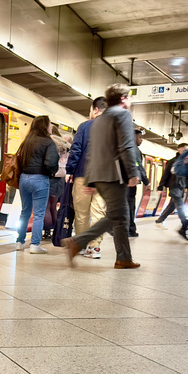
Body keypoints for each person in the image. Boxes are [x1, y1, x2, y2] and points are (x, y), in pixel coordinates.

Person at [62, 84, 141, 269]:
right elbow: (127, 146)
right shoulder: (122, 115)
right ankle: (77, 241)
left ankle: (124, 258)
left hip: (99, 175)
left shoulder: (98, 120)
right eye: (128, 97)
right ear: (122, 98)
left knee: (120, 217)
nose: (130, 101)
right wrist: (133, 172)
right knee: (117, 216)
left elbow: (91, 153)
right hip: (114, 175)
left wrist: (90, 178)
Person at [65, 97, 108, 259]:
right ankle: (95, 247)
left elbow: (75, 150)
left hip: (83, 175)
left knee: (81, 213)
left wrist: (70, 170)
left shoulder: (84, 127)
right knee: (99, 213)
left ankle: (82, 245)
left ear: (95, 110)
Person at [14, 116, 59, 254]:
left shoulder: (26, 141)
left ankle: (19, 242)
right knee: (39, 214)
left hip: (24, 179)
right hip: (39, 179)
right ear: (45, 126)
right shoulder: (48, 142)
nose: (51, 126)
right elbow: (51, 163)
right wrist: (51, 173)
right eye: (50, 124)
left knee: (25, 212)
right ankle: (35, 245)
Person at [154, 143, 188, 231]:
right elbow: (165, 174)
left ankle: (159, 221)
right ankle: (185, 223)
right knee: (180, 204)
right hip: (174, 186)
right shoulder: (173, 162)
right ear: (179, 150)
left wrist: (187, 186)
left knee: (172, 206)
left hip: (181, 187)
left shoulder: (185, 162)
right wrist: (160, 187)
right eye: (184, 150)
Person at [43, 132, 70, 240]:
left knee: (46, 207)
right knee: (53, 207)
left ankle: (47, 231)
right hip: (61, 179)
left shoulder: (51, 146)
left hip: (50, 177)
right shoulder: (66, 148)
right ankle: (56, 231)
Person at [127, 129, 150, 237]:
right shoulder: (134, 149)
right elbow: (138, 166)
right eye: (140, 137)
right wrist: (146, 181)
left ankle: (128, 228)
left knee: (126, 205)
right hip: (130, 182)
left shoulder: (127, 147)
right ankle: (129, 229)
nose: (141, 140)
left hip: (125, 182)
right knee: (129, 205)